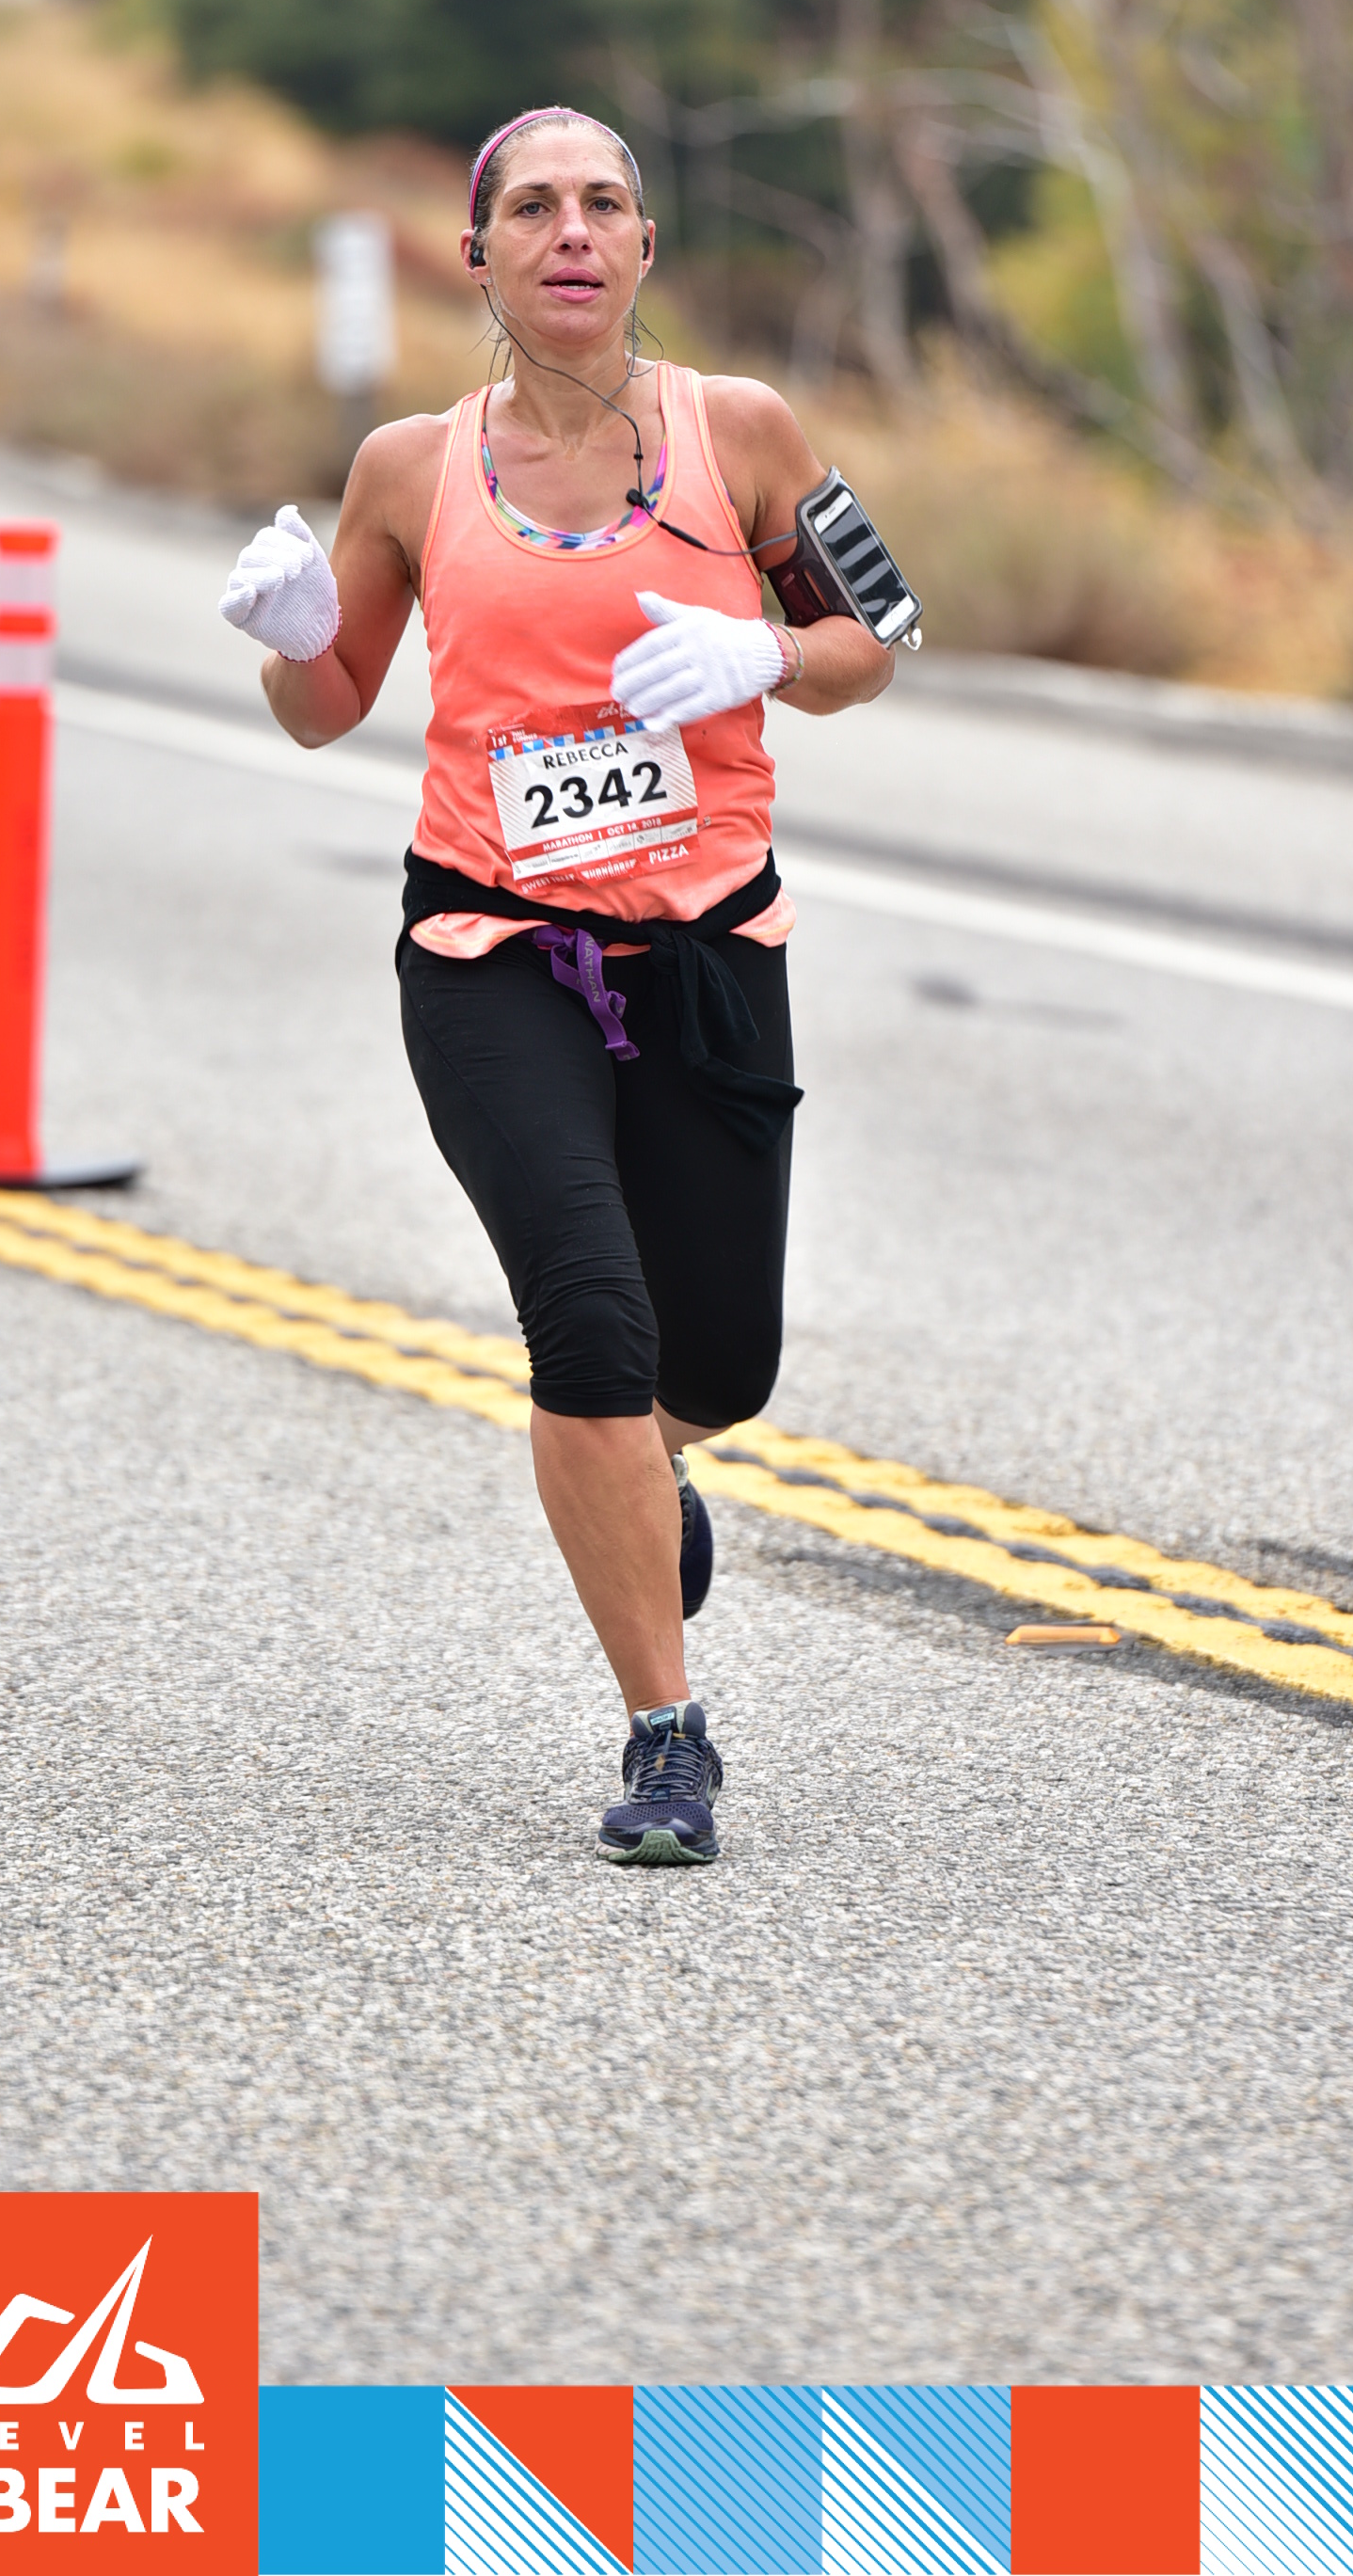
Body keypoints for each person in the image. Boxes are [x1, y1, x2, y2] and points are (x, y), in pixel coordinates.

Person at [218, 104, 897, 1865]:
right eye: (534, 207)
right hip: (489, 949)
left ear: (646, 246)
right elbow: (329, 706)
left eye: (605, 203)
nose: (573, 230)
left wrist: (765, 648)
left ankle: (653, 1465)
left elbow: (875, 643)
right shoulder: (409, 468)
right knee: (591, 1323)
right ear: (481, 255)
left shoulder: (744, 433)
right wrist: (293, 640)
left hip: (709, 950)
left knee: (720, 1361)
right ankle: (669, 1736)